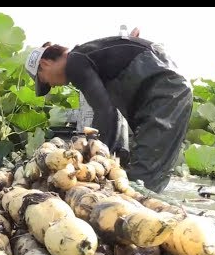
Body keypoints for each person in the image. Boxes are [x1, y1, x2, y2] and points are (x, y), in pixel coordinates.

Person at [24, 32, 192, 193]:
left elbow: (105, 111)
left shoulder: (75, 61)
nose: (51, 86)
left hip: (165, 93)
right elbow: (112, 112)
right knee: (146, 173)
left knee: (143, 177)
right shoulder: (88, 54)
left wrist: (93, 154)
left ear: (45, 64)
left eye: (45, 80)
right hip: (170, 92)